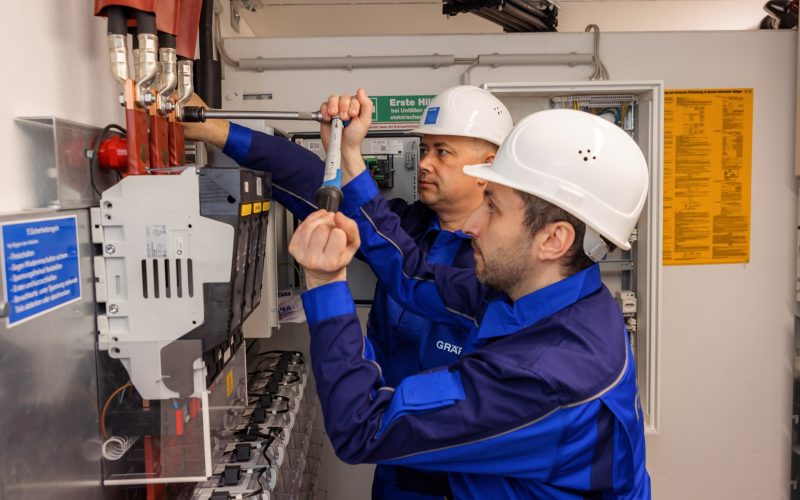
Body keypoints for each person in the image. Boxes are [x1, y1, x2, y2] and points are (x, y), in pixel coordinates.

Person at [288, 109, 652, 499]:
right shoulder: (559, 298)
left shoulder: (544, 377)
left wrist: (325, 283)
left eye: (492, 207)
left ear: (553, 239)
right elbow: (414, 274)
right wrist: (348, 158)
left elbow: (363, 427)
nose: (469, 225)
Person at [182, 86, 513, 499]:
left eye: (442, 152)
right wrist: (212, 128)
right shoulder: (406, 229)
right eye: (424, 148)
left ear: (489, 166)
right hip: (392, 463)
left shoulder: (503, 267)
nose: (425, 163)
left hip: (464, 479)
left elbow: (408, 271)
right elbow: (306, 176)